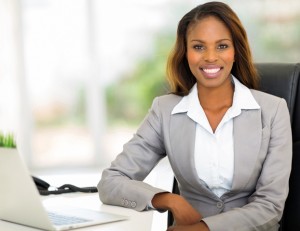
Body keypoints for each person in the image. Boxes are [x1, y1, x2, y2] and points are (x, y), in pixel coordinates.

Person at [98, 2, 292, 231]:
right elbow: (110, 182)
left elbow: (270, 206)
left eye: (222, 46)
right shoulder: (165, 111)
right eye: (199, 47)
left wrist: (202, 228)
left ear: (235, 51)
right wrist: (169, 199)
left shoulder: (273, 110)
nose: (210, 57)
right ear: (185, 52)